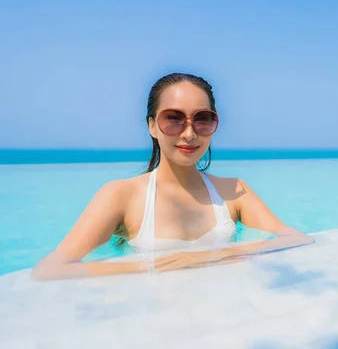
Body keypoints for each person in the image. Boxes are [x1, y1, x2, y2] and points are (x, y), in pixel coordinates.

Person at [32, 72, 314, 280]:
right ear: (152, 126)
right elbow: (50, 269)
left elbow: (295, 238)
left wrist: (208, 257)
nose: (189, 133)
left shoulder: (233, 191)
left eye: (202, 119)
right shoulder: (121, 195)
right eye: (173, 118)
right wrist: (154, 265)